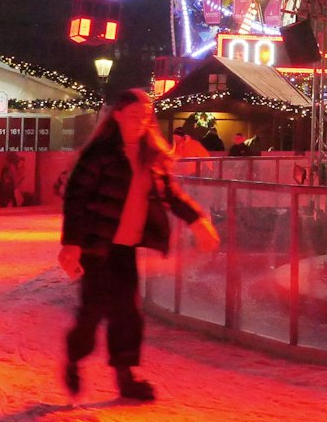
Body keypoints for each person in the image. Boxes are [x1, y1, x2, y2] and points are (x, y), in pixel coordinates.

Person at [58, 89, 221, 401]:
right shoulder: (100, 155)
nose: (140, 122)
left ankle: (125, 375)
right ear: (118, 116)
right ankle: (74, 360)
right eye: (134, 116)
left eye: (146, 117)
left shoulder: (153, 157)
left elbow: (172, 196)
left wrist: (198, 221)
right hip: (97, 246)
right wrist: (73, 244)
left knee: (128, 313)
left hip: (124, 249)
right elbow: (76, 200)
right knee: (92, 312)